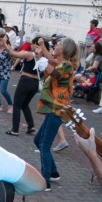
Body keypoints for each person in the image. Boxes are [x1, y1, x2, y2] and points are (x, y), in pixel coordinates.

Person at [33, 37, 79, 191]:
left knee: (44, 146)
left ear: (64, 50)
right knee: (38, 140)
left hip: (58, 109)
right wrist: (42, 53)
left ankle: (45, 182)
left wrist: (41, 58)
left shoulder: (66, 66)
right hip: (54, 108)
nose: (56, 46)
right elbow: (52, 63)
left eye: (58, 45)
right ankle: (53, 172)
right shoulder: (63, 63)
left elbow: (55, 73)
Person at [5, 37, 48, 136]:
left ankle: (15, 129)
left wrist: (7, 45)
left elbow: (14, 54)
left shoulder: (30, 54)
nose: (31, 46)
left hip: (25, 80)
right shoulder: (43, 58)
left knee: (17, 105)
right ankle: (31, 127)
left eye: (32, 44)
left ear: (36, 45)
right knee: (25, 105)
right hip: (35, 83)